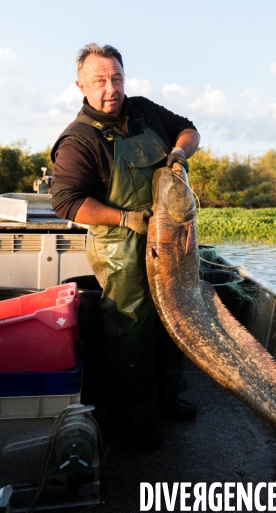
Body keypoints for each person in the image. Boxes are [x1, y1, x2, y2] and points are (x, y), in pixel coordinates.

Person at [51, 43, 200, 449]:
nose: (110, 88)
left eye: (116, 78)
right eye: (99, 81)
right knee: (130, 327)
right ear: (81, 84)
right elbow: (66, 201)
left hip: (167, 238)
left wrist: (178, 155)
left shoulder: (145, 111)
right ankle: (135, 418)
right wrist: (124, 218)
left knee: (175, 316)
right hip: (121, 246)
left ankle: (170, 394)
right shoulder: (78, 140)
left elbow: (190, 129)